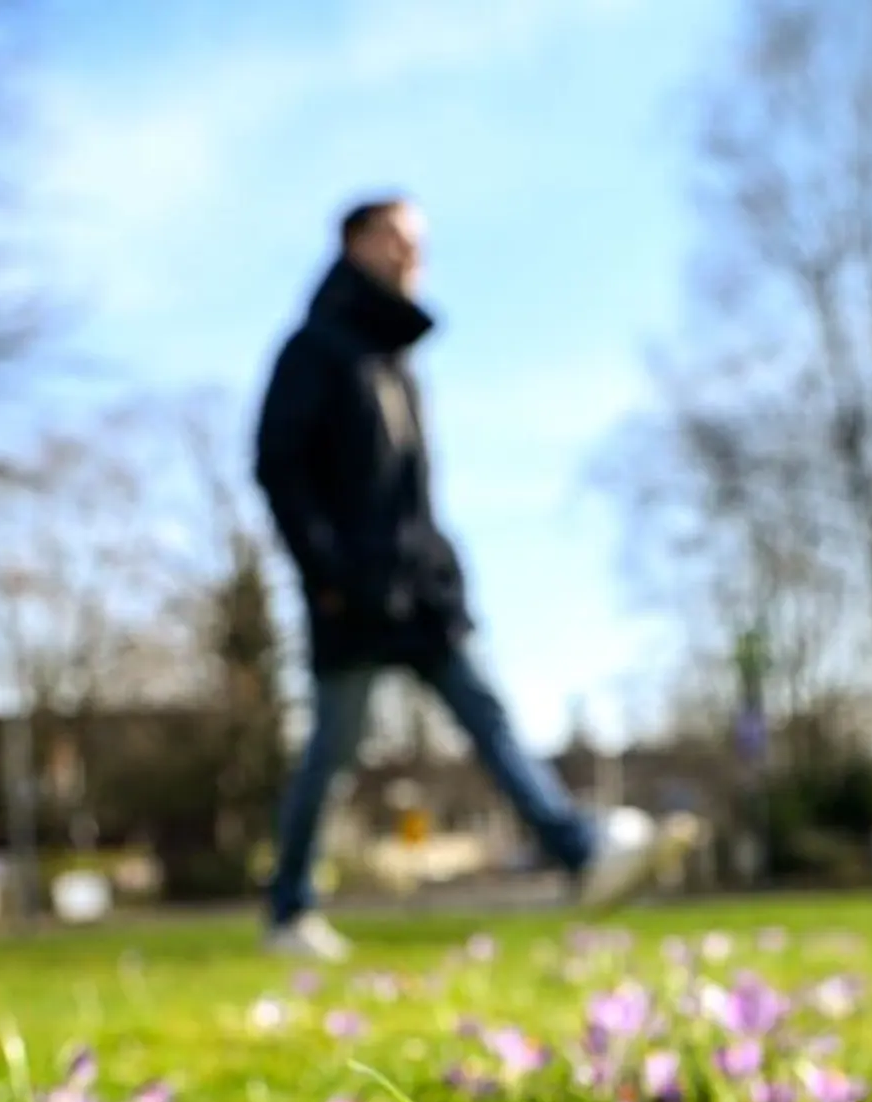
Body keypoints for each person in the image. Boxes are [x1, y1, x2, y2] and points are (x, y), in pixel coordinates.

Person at [251, 195, 673, 961]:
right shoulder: (317, 350)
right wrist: (330, 576)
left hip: (421, 593)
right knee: (333, 751)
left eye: (420, 244)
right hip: (353, 595)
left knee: (487, 714)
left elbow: (408, 495)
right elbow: (280, 470)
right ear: (353, 244)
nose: (411, 255)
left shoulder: (394, 361)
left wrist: (439, 570)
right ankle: (289, 910)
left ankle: (581, 854)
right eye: (395, 239)